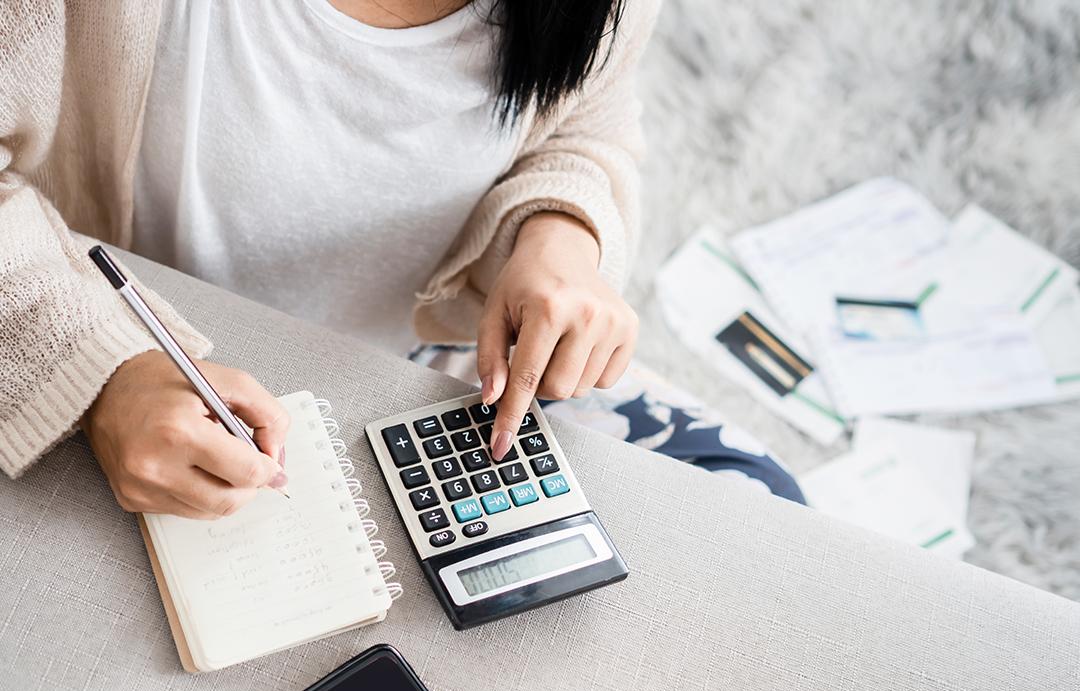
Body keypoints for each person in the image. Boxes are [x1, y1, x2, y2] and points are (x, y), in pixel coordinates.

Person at [0, 0, 802, 520]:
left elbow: (587, 124)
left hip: (422, 361)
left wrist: (561, 231)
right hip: (112, 343)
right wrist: (103, 372)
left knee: (759, 506)